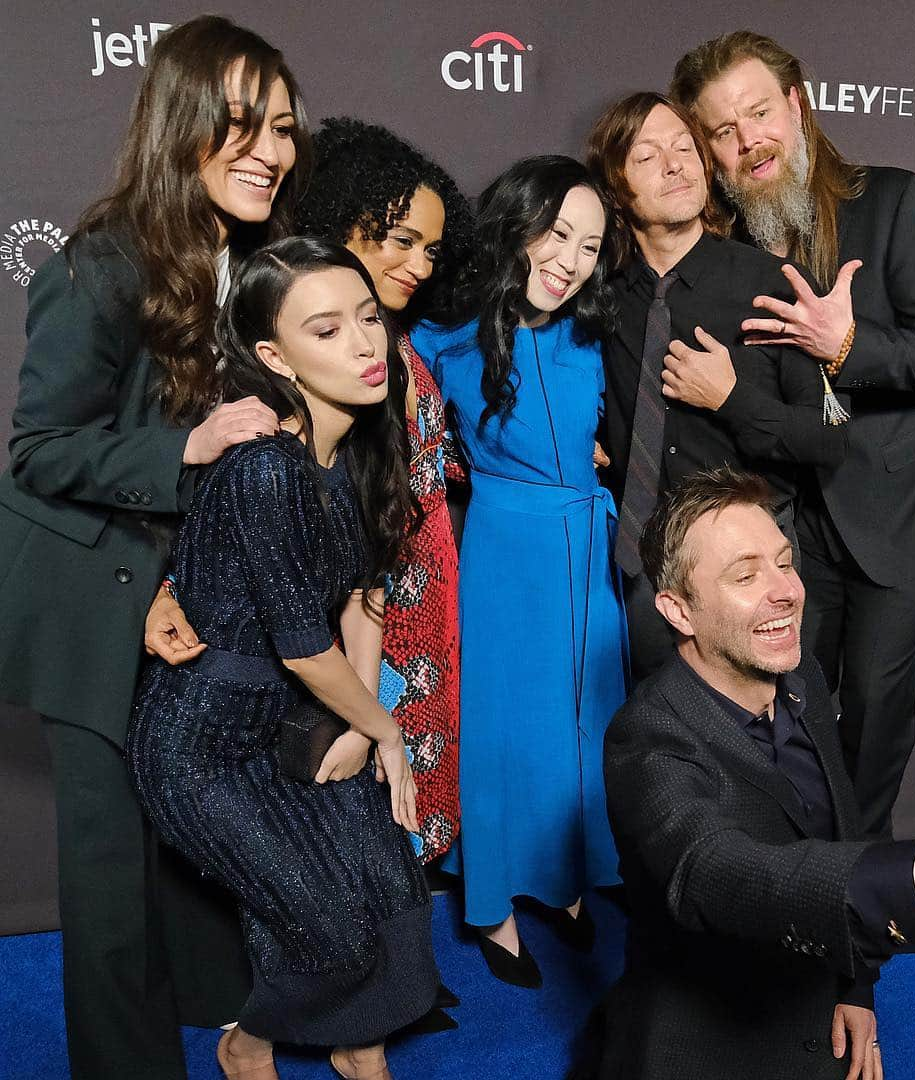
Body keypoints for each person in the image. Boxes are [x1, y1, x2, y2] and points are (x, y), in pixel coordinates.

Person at [0, 17, 309, 1079]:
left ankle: (216, 1013)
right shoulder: (103, 259)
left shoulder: (247, 261)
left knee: (191, 822)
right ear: (180, 127)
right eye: (240, 125)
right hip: (85, 589)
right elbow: (40, 450)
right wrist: (189, 442)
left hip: (179, 588)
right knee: (109, 866)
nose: (271, 149)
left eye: (281, 127)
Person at [587, 466, 915, 1080]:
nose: (787, 591)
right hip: (705, 1047)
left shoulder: (803, 678)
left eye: (784, 562)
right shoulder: (645, 739)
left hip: (818, 997)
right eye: (745, 574)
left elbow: (839, 837)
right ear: (679, 611)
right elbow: (716, 873)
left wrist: (855, 987)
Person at [128, 237, 437, 1080]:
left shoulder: (368, 447)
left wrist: (358, 722)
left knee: (391, 875)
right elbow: (304, 650)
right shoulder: (266, 469)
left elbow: (363, 601)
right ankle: (248, 1045)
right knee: (328, 921)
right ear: (273, 356)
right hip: (201, 747)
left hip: (288, 723)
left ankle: (359, 1045)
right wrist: (386, 734)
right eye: (328, 330)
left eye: (369, 320)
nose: (366, 345)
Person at [669, 32, 915, 837]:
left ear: (798, 109)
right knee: (788, 698)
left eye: (761, 113)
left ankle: (860, 892)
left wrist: (845, 346)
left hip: (901, 511)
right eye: (724, 132)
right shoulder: (721, 251)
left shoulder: (897, 200)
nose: (750, 142)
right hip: (792, 519)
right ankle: (796, 870)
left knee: (873, 708)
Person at [410, 156, 629, 987]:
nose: (570, 259)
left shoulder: (591, 330)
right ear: (515, 225)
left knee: (586, 721)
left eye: (589, 244)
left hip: (590, 543)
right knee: (505, 729)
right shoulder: (441, 334)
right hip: (507, 550)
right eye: (556, 233)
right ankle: (494, 903)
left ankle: (567, 882)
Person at [585, 92, 847, 682]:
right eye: (648, 156)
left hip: (754, 561)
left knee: (768, 738)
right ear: (615, 187)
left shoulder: (771, 284)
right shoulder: (600, 293)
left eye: (686, 149)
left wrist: (731, 398)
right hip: (646, 567)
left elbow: (829, 437)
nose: (676, 164)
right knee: (659, 741)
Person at [295, 117, 474, 868]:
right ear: (346, 222)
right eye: (400, 239)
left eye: (431, 248)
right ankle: (375, 977)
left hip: (427, 597)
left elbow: (428, 460)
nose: (420, 263)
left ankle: (402, 968)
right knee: (362, 799)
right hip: (368, 609)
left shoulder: (398, 341)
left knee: (409, 805)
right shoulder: (332, 354)